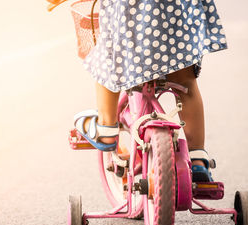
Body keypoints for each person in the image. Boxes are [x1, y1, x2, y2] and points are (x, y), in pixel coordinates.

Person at [73, 0, 227, 182]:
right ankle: (198, 159)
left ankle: (106, 129)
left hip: (127, 14)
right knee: (186, 85)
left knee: (107, 63)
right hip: (174, 14)